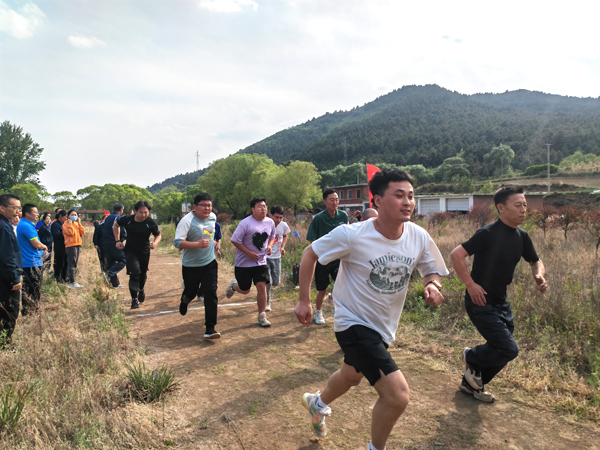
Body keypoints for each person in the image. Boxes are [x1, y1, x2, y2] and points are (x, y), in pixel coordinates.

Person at [294, 169, 448, 450]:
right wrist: (304, 300)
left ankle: (317, 404)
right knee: (397, 395)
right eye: (399, 195)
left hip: (383, 327)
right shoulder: (353, 235)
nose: (408, 202)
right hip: (352, 323)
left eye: (411, 196)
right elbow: (310, 253)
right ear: (377, 200)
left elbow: (431, 270)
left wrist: (433, 286)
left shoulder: (419, 236)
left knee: (351, 376)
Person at [450, 187, 547, 403]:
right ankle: (471, 356)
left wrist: (538, 275)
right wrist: (470, 284)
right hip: (480, 300)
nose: (524, 210)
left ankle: (472, 385)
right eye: (518, 205)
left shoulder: (522, 236)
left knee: (502, 350)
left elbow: (535, 260)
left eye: (525, 205)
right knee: (508, 348)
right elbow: (457, 254)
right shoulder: (487, 233)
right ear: (501, 208)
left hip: (501, 302)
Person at [174, 193, 220, 339]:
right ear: (194, 207)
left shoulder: (213, 217)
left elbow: (211, 234)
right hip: (191, 265)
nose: (207, 208)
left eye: (209, 205)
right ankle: (185, 299)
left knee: (211, 293)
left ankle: (210, 329)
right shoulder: (186, 221)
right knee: (191, 291)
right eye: (204, 205)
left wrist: (214, 244)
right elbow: (177, 243)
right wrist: (197, 244)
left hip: (209, 262)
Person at [225, 197, 276, 327]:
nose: (263, 208)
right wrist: (248, 253)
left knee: (261, 286)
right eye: (260, 206)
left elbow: (272, 236)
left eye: (265, 206)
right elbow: (235, 240)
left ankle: (262, 315)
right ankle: (233, 286)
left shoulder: (270, 222)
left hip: (261, 262)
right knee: (245, 289)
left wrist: (269, 246)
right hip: (244, 263)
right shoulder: (245, 223)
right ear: (252, 209)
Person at [305, 188, 348, 324]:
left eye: (336, 199)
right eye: (331, 200)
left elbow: (347, 236)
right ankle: (318, 312)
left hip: (339, 259)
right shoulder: (319, 218)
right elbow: (311, 240)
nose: (335, 202)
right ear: (325, 201)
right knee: (322, 289)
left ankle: (333, 299)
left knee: (342, 285)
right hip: (323, 260)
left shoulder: (343, 216)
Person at [114, 201, 161, 309]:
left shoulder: (151, 222)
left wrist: (155, 243)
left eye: (146, 212)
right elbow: (116, 225)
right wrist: (117, 240)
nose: (143, 215)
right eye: (141, 212)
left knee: (142, 274)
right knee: (134, 273)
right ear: (136, 211)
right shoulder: (127, 220)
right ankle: (134, 299)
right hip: (130, 250)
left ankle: (141, 289)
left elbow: (158, 235)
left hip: (144, 251)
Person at [0, 194, 23, 349]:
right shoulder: (4, 227)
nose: (17, 212)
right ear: (2, 208)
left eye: (18, 208)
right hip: (6, 278)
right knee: (10, 311)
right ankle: (5, 344)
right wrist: (14, 279)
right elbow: (7, 256)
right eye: (14, 208)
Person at [17, 204, 48, 315]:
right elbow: (36, 244)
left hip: (28, 261)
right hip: (31, 261)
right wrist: (44, 246)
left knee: (29, 287)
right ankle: (32, 311)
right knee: (33, 288)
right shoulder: (27, 226)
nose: (37, 214)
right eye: (35, 212)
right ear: (27, 213)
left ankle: (28, 310)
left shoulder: (24, 224)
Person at [265, 205, 290, 311]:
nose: (278, 220)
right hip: (265, 257)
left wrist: (282, 247)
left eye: (280, 217)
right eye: (276, 217)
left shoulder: (283, 225)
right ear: (270, 215)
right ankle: (267, 302)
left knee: (276, 282)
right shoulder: (265, 224)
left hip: (277, 257)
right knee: (268, 281)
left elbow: (285, 235)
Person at [101, 203, 127, 288]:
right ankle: (109, 273)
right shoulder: (118, 218)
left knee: (111, 262)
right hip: (114, 242)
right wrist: (124, 238)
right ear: (121, 210)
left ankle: (115, 284)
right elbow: (121, 231)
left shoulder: (107, 218)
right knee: (123, 260)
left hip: (105, 243)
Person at [63, 210, 86, 288]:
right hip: (70, 246)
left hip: (78, 244)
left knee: (74, 263)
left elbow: (82, 232)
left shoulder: (76, 224)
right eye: (72, 214)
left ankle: (69, 279)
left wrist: (79, 224)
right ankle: (71, 281)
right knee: (71, 263)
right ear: (68, 216)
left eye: (75, 214)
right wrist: (70, 224)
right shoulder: (65, 224)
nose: (74, 216)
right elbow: (70, 232)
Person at [51, 210, 68, 283]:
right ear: (60, 216)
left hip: (66, 246)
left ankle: (64, 278)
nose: (66, 218)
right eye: (65, 216)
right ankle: (57, 278)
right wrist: (66, 232)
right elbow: (57, 235)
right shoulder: (55, 224)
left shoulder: (64, 224)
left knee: (66, 263)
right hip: (59, 247)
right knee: (59, 263)